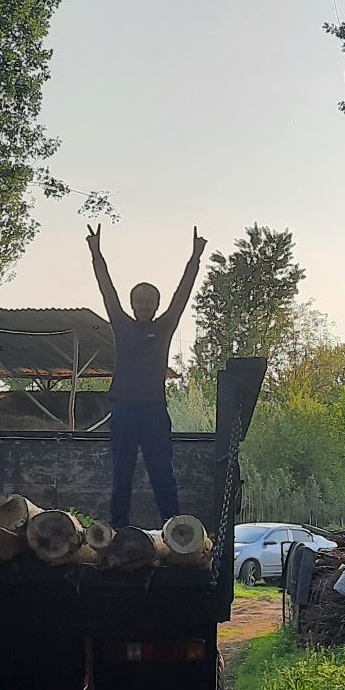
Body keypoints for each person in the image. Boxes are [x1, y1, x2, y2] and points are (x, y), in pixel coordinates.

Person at [88, 222, 206, 527]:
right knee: (121, 474)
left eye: (149, 301)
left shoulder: (164, 327)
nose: (144, 306)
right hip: (124, 409)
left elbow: (182, 294)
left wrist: (195, 258)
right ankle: (117, 530)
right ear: (132, 304)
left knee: (162, 474)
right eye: (139, 301)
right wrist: (96, 253)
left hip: (154, 409)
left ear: (156, 305)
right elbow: (107, 291)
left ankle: (175, 529)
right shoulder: (121, 323)